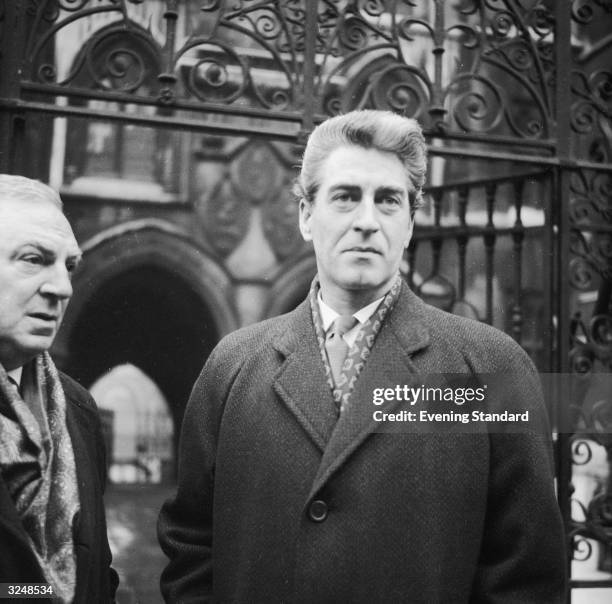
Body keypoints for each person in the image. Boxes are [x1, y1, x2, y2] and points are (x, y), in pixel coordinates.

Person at [158, 111, 566, 602]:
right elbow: (191, 547)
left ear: (412, 222)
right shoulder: (234, 366)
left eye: (388, 200)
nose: (367, 221)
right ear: (307, 216)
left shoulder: (489, 368)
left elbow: (527, 574)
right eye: (346, 196)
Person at [0, 175, 118, 602]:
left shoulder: (76, 408)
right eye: (34, 259)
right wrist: (33, 591)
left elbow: (98, 573)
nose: (62, 287)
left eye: (69, 266)